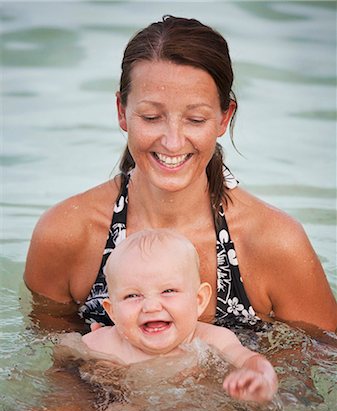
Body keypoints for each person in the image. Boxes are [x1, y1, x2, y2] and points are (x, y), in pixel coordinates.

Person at [24, 15, 337, 332]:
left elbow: (321, 363)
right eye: (151, 117)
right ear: (122, 112)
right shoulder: (65, 234)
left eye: (196, 119)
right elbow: (52, 366)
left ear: (223, 118)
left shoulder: (275, 244)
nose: (172, 142)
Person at [81, 228, 278, 403]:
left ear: (199, 300)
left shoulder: (213, 340)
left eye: (168, 291)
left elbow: (249, 359)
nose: (150, 306)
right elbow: (63, 362)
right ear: (112, 311)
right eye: (132, 295)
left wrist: (260, 377)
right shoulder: (101, 345)